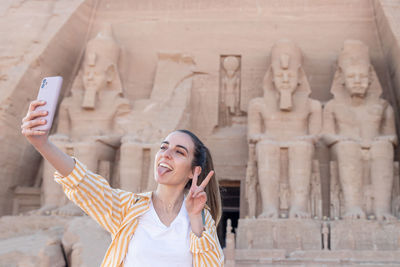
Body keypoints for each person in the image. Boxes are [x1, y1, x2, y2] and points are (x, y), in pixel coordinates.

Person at [21, 100, 224, 267]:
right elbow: (83, 182)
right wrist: (42, 144)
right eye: (163, 147)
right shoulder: (128, 207)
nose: (166, 154)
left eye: (179, 152)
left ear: (193, 171)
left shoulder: (201, 218)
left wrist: (196, 218)